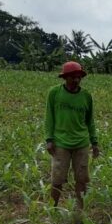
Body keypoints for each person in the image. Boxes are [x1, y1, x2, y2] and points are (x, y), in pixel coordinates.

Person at [45, 61, 99, 213]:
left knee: (82, 179)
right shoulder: (54, 93)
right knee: (57, 180)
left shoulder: (86, 96)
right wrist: (49, 139)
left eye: (79, 77)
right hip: (60, 143)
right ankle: (53, 209)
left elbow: (90, 121)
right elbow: (49, 117)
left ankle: (80, 211)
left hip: (81, 143)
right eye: (72, 77)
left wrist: (94, 142)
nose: (76, 80)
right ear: (65, 77)